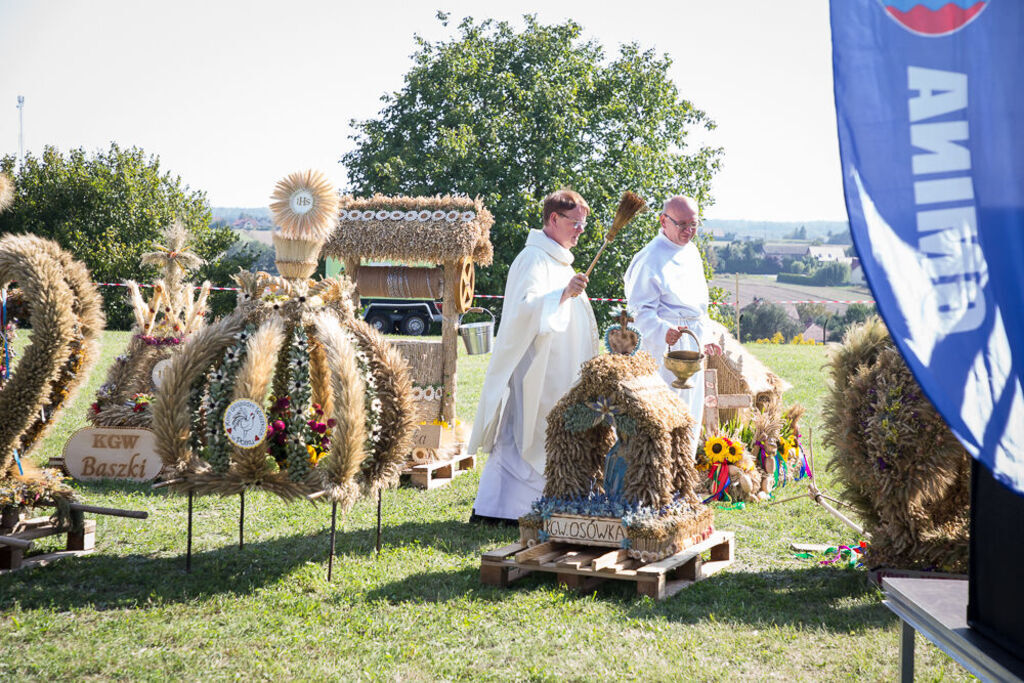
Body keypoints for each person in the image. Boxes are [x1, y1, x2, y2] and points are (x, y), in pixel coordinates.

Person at [468, 189, 600, 524]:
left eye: (583, 225)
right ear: (553, 219)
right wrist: (562, 293)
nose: (580, 230)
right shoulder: (532, 259)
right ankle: (502, 509)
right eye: (575, 223)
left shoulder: (557, 260)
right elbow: (522, 312)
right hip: (535, 370)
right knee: (525, 433)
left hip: (560, 370)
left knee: (551, 434)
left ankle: (549, 502)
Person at [624, 195, 722, 457]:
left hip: (692, 341)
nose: (688, 232)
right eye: (682, 225)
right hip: (663, 347)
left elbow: (699, 307)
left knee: (690, 411)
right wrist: (661, 330)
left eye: (694, 225)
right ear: (663, 221)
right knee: (664, 413)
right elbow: (638, 310)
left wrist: (706, 336)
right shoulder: (649, 258)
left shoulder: (691, 252)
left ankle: (682, 478)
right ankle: (657, 481)